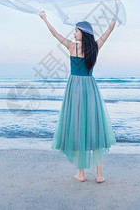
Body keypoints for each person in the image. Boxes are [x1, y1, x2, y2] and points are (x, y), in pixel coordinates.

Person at [39, 11, 117, 183]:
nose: (73, 34)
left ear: (83, 33)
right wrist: (115, 14)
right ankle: (99, 174)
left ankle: (81, 174)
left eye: (76, 31)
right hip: (90, 88)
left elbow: (54, 34)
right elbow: (109, 31)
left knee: (79, 127)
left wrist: (45, 19)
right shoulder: (95, 47)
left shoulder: (71, 46)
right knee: (94, 128)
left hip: (75, 88)